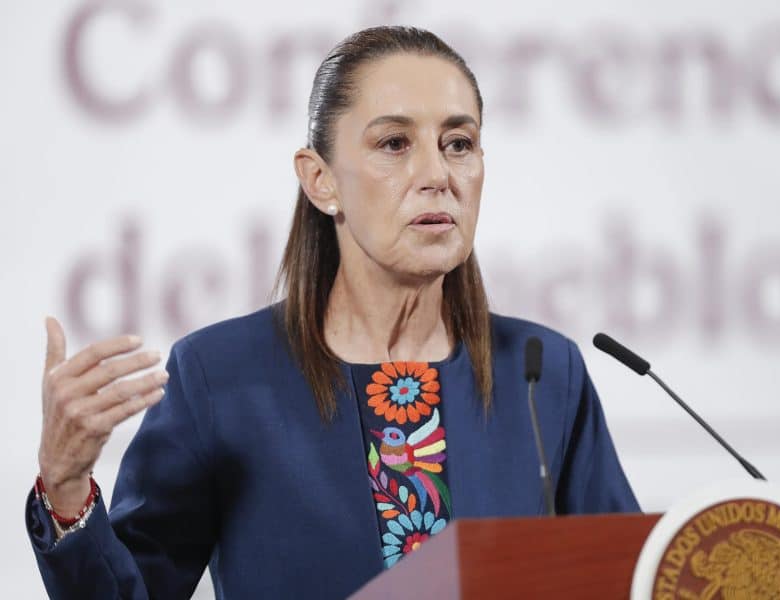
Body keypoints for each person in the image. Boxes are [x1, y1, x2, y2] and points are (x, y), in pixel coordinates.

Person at [27, 26, 639, 599]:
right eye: (394, 143)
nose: (437, 175)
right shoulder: (220, 379)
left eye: (459, 143)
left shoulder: (543, 374)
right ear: (321, 181)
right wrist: (65, 488)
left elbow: (628, 579)